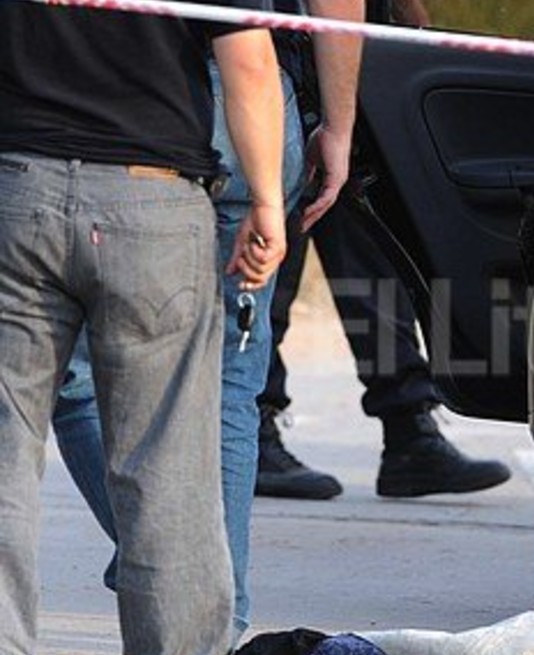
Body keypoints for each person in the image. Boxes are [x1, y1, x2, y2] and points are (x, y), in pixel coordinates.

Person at [49, 0, 364, 643]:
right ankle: (209, 609)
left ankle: (165, 555)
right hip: (252, 96)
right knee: (229, 388)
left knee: (72, 372)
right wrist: (339, 122)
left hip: (132, 99)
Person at [0, 1, 285, 652]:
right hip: (151, 198)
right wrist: (267, 199)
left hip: (16, 186)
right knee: (165, 473)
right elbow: (249, 58)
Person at [253, 0, 513, 501]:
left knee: (365, 256)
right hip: (288, 65)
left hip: (340, 68)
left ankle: (410, 429)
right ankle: (256, 425)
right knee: (275, 255)